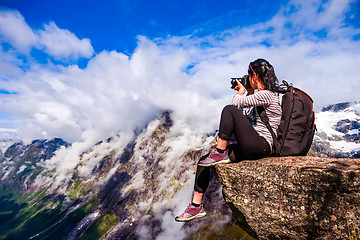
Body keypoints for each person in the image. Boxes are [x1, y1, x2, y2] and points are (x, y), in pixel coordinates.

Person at [175, 58, 282, 222]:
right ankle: (196, 206)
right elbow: (245, 117)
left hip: (262, 145)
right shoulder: (261, 97)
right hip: (254, 144)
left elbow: (236, 105)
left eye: (248, 74)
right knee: (204, 161)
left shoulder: (268, 95)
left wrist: (240, 92)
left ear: (254, 74)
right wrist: (249, 92)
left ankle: (220, 151)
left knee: (229, 109)